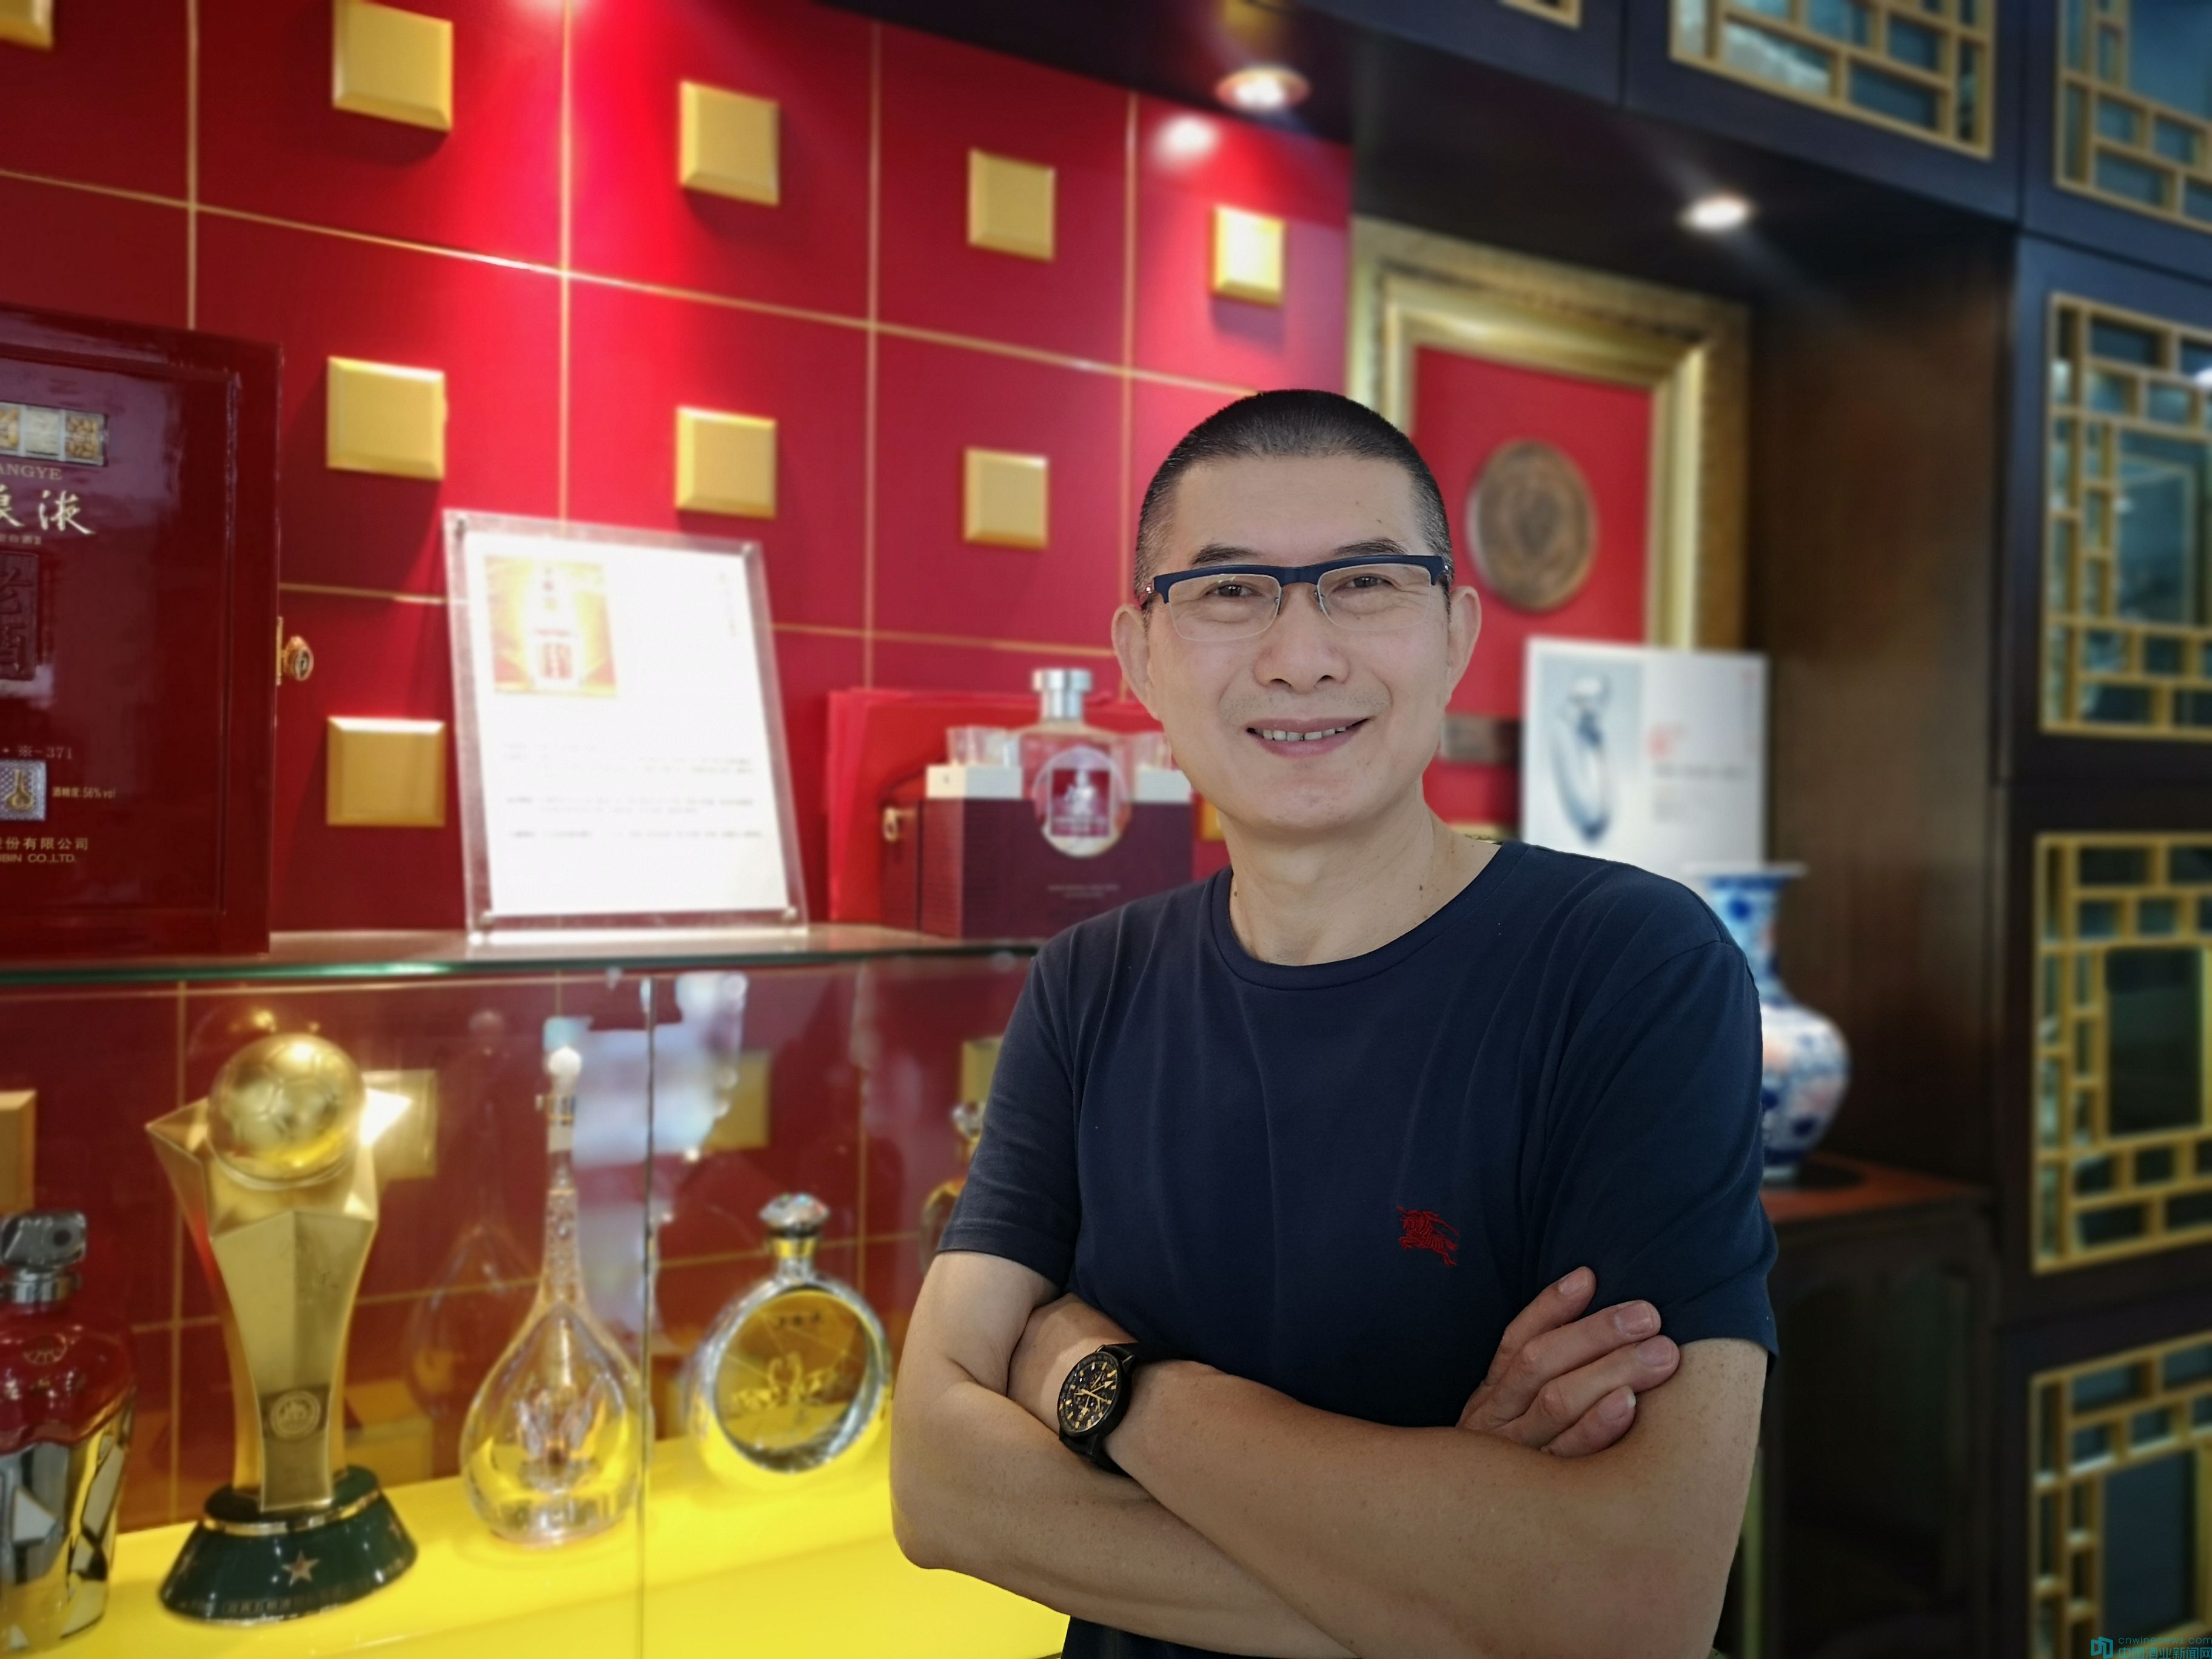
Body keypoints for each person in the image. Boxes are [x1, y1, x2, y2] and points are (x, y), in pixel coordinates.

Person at [890, 390, 1777, 1659]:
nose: (1300, 656)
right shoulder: (1087, 984)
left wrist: (1105, 1388)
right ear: (1140, 656)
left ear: (1456, 633)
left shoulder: (1631, 967)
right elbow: (937, 1488)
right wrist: (1462, 1587)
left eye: (1364, 584)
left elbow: (1634, 1611)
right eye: (1228, 591)